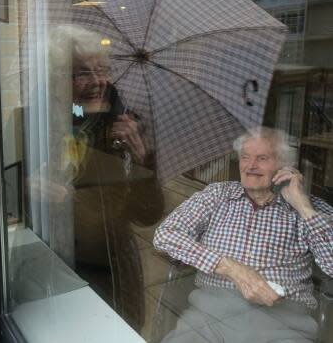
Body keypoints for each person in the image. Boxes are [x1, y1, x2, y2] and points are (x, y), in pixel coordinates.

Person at [26, 25, 164, 330]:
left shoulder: (128, 126)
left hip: (112, 269)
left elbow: (148, 214)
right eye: (82, 73)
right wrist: (29, 188)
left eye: (103, 69)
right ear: (58, 78)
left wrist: (144, 161)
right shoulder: (38, 122)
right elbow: (12, 203)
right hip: (53, 260)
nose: (98, 81)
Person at [153, 127, 333, 342]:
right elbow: (165, 235)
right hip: (208, 319)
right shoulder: (218, 194)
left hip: (282, 327)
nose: (250, 166)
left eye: (262, 158)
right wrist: (232, 269)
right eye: (245, 157)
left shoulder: (309, 208)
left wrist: (303, 207)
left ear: (284, 166)